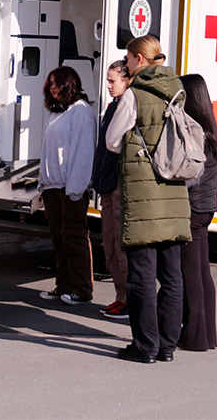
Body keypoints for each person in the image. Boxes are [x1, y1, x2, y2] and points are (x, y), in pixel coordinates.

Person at [105, 35, 191, 363]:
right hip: (174, 193)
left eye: (127, 59)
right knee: (171, 277)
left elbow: (114, 141)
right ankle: (168, 346)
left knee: (141, 276)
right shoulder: (177, 89)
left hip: (143, 197)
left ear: (140, 60)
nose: (125, 65)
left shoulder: (135, 95)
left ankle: (145, 347)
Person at [37, 66, 97, 306]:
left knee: (74, 239)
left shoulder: (80, 112)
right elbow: (48, 151)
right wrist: (43, 183)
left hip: (70, 189)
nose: (52, 87)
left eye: (57, 83)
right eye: (50, 83)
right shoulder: (56, 112)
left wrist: (75, 190)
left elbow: (83, 154)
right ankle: (63, 286)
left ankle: (82, 290)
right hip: (53, 188)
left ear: (69, 83)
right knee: (59, 240)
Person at [177, 73, 217, 351]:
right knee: (203, 273)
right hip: (206, 208)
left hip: (193, 209)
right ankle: (208, 334)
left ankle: (195, 337)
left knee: (190, 274)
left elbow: (191, 176)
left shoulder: (197, 135)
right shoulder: (212, 131)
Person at [92, 60, 131, 320]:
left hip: (118, 185)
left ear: (126, 81)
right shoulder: (112, 107)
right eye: (107, 80)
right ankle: (120, 297)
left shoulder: (128, 106)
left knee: (120, 246)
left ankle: (129, 300)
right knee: (108, 244)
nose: (108, 85)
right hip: (106, 184)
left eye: (112, 81)